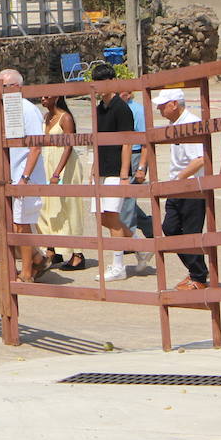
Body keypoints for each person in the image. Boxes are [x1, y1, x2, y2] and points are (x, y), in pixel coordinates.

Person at [91, 64, 147, 282]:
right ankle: (140, 248)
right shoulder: (98, 109)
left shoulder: (122, 108)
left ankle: (118, 266)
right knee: (102, 217)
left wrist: (125, 175)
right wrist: (94, 168)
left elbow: (127, 142)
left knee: (113, 218)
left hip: (117, 170)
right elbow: (96, 140)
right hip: (102, 169)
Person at [0, 68, 50, 282]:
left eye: (3, 86)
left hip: (26, 175)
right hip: (14, 173)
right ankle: (36, 259)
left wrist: (25, 177)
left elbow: (36, 146)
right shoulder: (7, 110)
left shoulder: (27, 109)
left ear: (16, 87)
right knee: (13, 223)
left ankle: (27, 272)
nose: (0, 90)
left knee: (21, 224)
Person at [154, 88, 210, 290]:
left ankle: (199, 278)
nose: (159, 108)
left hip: (191, 187)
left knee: (191, 232)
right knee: (170, 228)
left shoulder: (189, 123)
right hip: (177, 186)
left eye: (163, 104)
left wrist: (178, 178)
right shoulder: (175, 124)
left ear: (175, 104)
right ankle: (197, 271)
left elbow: (200, 159)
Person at [39, 94, 86, 271]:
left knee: (70, 207)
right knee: (48, 207)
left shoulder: (65, 117)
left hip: (66, 166)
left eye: (46, 96)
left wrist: (58, 172)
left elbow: (69, 145)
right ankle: (53, 247)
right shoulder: (46, 117)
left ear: (56, 97)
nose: (43, 99)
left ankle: (78, 254)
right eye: (41, 97)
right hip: (48, 162)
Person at [119, 87, 155, 243]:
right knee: (124, 199)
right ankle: (148, 225)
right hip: (121, 155)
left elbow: (145, 141)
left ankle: (129, 238)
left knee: (126, 198)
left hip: (135, 154)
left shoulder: (137, 110)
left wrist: (141, 167)